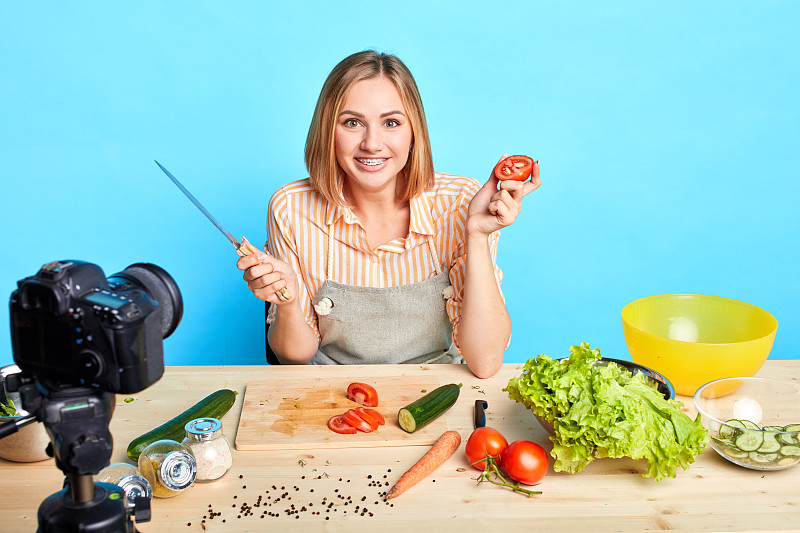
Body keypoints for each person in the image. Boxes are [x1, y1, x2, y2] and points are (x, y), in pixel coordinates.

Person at [237, 50, 540, 378]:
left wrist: (478, 235)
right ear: (328, 130)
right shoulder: (290, 208)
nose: (372, 143)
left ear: (414, 133)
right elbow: (295, 358)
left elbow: (485, 362)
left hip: (436, 391)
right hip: (329, 394)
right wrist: (287, 302)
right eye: (352, 122)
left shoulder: (460, 202)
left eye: (391, 122)